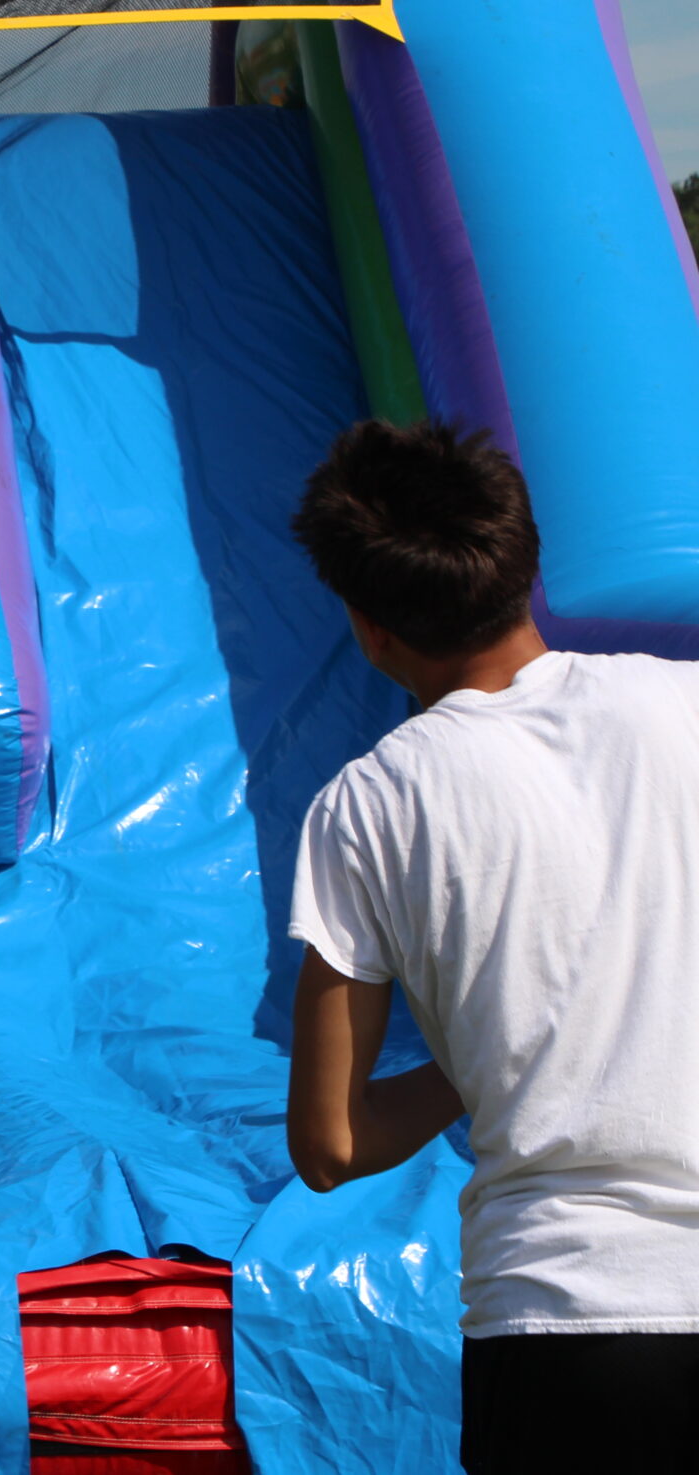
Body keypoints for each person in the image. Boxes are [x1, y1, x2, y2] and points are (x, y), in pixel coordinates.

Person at [283, 420, 699, 1473]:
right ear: (525, 564)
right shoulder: (684, 704)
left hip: (566, 1318)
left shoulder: (368, 804)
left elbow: (331, 1144)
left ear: (366, 627)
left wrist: (492, 1064)